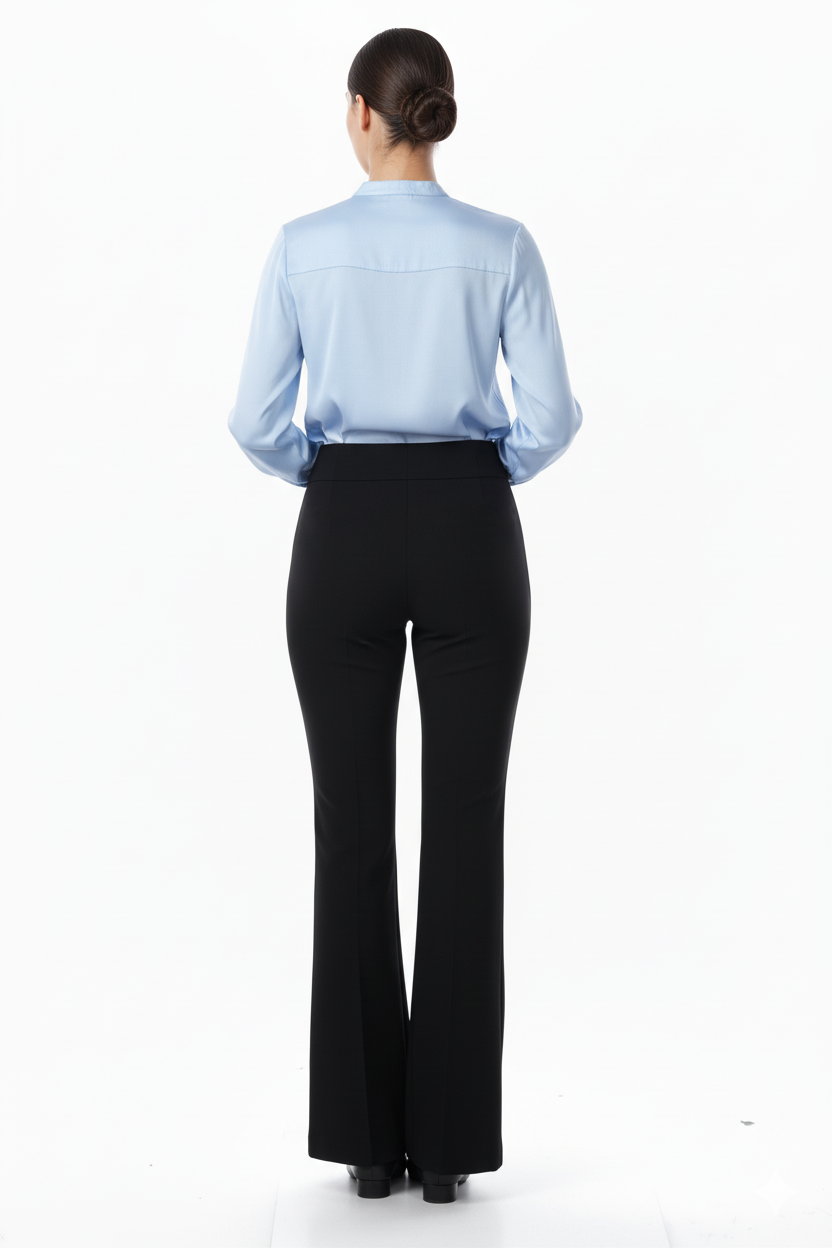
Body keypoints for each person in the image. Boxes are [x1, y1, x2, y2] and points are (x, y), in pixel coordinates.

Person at [226, 27, 583, 1205]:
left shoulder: (302, 248)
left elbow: (254, 420)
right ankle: (451, 1148)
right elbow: (551, 416)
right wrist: (481, 473)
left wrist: (330, 475)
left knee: (351, 827)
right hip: (474, 522)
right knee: (467, 826)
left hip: (342, 524)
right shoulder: (501, 244)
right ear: (432, 113)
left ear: (360, 114)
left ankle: (368, 1142)